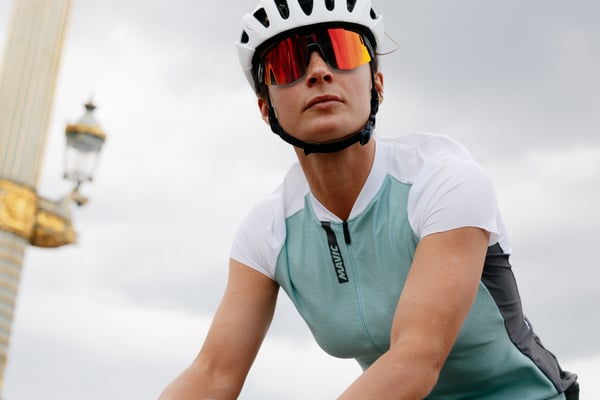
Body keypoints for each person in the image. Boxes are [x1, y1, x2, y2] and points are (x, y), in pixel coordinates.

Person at [159, 0, 579, 399]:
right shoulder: (268, 230)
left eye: (342, 52)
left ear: (377, 84)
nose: (319, 72)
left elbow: (415, 360)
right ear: (265, 108)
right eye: (288, 62)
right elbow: (213, 373)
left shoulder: (445, 182)